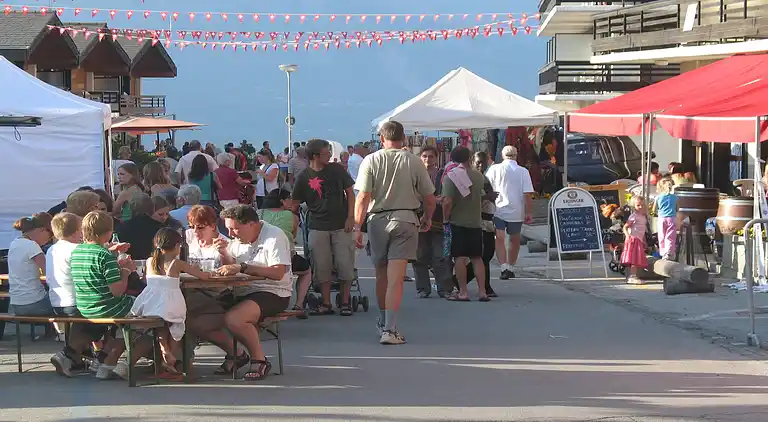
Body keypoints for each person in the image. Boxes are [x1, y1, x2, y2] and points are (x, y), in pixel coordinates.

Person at [354, 121, 436, 345]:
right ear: (404, 138)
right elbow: (430, 198)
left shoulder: (371, 160)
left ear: (382, 139)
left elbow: (363, 197)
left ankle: (383, 321)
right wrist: (427, 217)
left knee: (381, 274)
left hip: (377, 221)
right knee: (396, 278)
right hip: (406, 219)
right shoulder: (413, 161)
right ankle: (390, 329)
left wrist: (357, 227)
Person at [70, 211, 153, 380]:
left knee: (128, 320)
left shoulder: (78, 251)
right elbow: (117, 291)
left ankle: (106, 361)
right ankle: (120, 362)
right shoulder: (104, 255)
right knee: (150, 313)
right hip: (107, 306)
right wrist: (126, 270)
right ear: (108, 232)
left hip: (85, 306)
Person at [217, 205, 293, 381]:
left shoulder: (274, 236)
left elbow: (278, 273)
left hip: (273, 291)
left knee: (235, 318)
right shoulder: (238, 239)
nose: (230, 234)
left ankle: (259, 360)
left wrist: (244, 267)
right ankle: (236, 354)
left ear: (251, 224)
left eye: (234, 228)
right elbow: (233, 265)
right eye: (228, 229)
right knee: (199, 316)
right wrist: (223, 253)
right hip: (242, 290)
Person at [131, 228, 213, 374]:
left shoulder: (150, 261)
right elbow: (202, 276)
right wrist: (209, 273)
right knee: (177, 324)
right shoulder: (176, 263)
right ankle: (171, 357)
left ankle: (165, 350)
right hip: (171, 304)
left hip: (149, 304)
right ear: (177, 246)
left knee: (162, 324)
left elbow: (144, 280)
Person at [292, 139, 357, 316]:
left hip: (341, 224)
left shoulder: (336, 170)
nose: (329, 155)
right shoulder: (304, 177)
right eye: (325, 152)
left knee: (345, 264)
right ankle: (326, 302)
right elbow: (295, 202)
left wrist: (351, 216)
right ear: (314, 156)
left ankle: (345, 301)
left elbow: (350, 192)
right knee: (322, 266)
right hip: (317, 225)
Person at [46, 212, 111, 377]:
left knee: (90, 320)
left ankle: (77, 357)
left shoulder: (52, 249)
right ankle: (72, 354)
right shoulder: (77, 249)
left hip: (56, 302)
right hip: (76, 301)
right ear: (77, 231)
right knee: (105, 318)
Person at [442, 146, 490, 302]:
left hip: (458, 222)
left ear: (452, 158)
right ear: (469, 157)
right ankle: (482, 291)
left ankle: (463, 292)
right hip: (475, 222)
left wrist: (445, 218)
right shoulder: (478, 176)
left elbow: (447, 201)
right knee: (477, 258)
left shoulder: (451, 177)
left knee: (460, 258)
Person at [258, 189, 312, 318]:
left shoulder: (260, 213)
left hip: (261, 256)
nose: (292, 201)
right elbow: (293, 236)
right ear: (282, 201)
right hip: (285, 257)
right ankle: (299, 304)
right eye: (289, 198)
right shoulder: (292, 217)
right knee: (307, 271)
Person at [485, 146, 534, 280]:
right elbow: (527, 194)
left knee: (499, 238)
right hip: (516, 210)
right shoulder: (523, 171)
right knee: (514, 239)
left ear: (502, 155)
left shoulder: (494, 169)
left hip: (498, 209)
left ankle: (503, 267)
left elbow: (486, 187)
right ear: (516, 155)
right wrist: (529, 212)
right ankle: (511, 267)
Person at [412, 146, 453, 298]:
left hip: (438, 221)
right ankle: (423, 288)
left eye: (431, 156)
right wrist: (430, 200)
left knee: (440, 257)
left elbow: (448, 195)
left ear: (436, 158)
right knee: (419, 256)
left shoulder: (442, 175)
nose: (427, 159)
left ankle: (444, 288)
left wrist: (440, 200)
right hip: (418, 220)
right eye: (424, 156)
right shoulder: (414, 174)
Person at [463, 151, 499, 298]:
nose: (480, 165)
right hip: (476, 221)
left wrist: (491, 198)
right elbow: (467, 199)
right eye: (478, 162)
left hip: (488, 220)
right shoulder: (470, 177)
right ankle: (458, 281)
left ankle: (485, 285)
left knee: (487, 254)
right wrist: (486, 197)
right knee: (482, 255)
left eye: (483, 163)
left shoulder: (484, 178)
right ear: (472, 162)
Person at [8, 213, 53, 316]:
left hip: (15, 304)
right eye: (51, 235)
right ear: (42, 230)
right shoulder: (32, 245)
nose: (49, 240)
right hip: (35, 302)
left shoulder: (14, 243)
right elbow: (49, 272)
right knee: (65, 305)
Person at [116, 194, 166, 260]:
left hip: (130, 262)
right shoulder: (161, 228)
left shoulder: (121, 227)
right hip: (154, 262)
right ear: (152, 208)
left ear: (131, 207)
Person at [621, 195, 650, 284]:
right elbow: (625, 227)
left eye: (642, 205)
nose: (640, 207)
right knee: (634, 259)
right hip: (633, 239)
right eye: (638, 205)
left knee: (637, 259)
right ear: (634, 206)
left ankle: (633, 276)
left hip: (639, 239)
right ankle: (632, 277)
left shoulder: (643, 216)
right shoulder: (633, 216)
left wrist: (644, 241)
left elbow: (643, 230)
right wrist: (628, 236)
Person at [654, 177, 678, 260]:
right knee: (670, 237)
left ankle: (663, 253)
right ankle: (669, 253)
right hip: (672, 219)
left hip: (661, 219)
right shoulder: (675, 197)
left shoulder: (658, 197)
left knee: (661, 236)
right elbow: (677, 208)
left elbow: (654, 210)